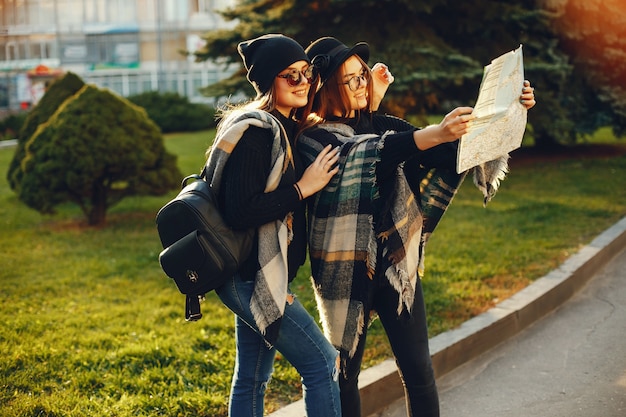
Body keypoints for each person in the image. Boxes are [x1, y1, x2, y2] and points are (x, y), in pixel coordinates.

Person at [296, 37, 536, 417]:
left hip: (396, 266)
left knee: (419, 371)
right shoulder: (312, 139)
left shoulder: (381, 125)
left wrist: (508, 110)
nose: (363, 85)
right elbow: (370, 152)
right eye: (353, 80)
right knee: (343, 377)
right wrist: (430, 134)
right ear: (326, 88)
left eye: (363, 76)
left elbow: (448, 151)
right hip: (346, 273)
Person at [204, 34, 342, 417]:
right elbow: (240, 211)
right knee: (322, 364)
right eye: (290, 76)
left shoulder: (282, 125)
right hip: (250, 276)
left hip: (250, 273)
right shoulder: (258, 133)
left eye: (306, 73)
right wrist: (303, 188)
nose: (303, 83)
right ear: (269, 81)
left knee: (251, 377)